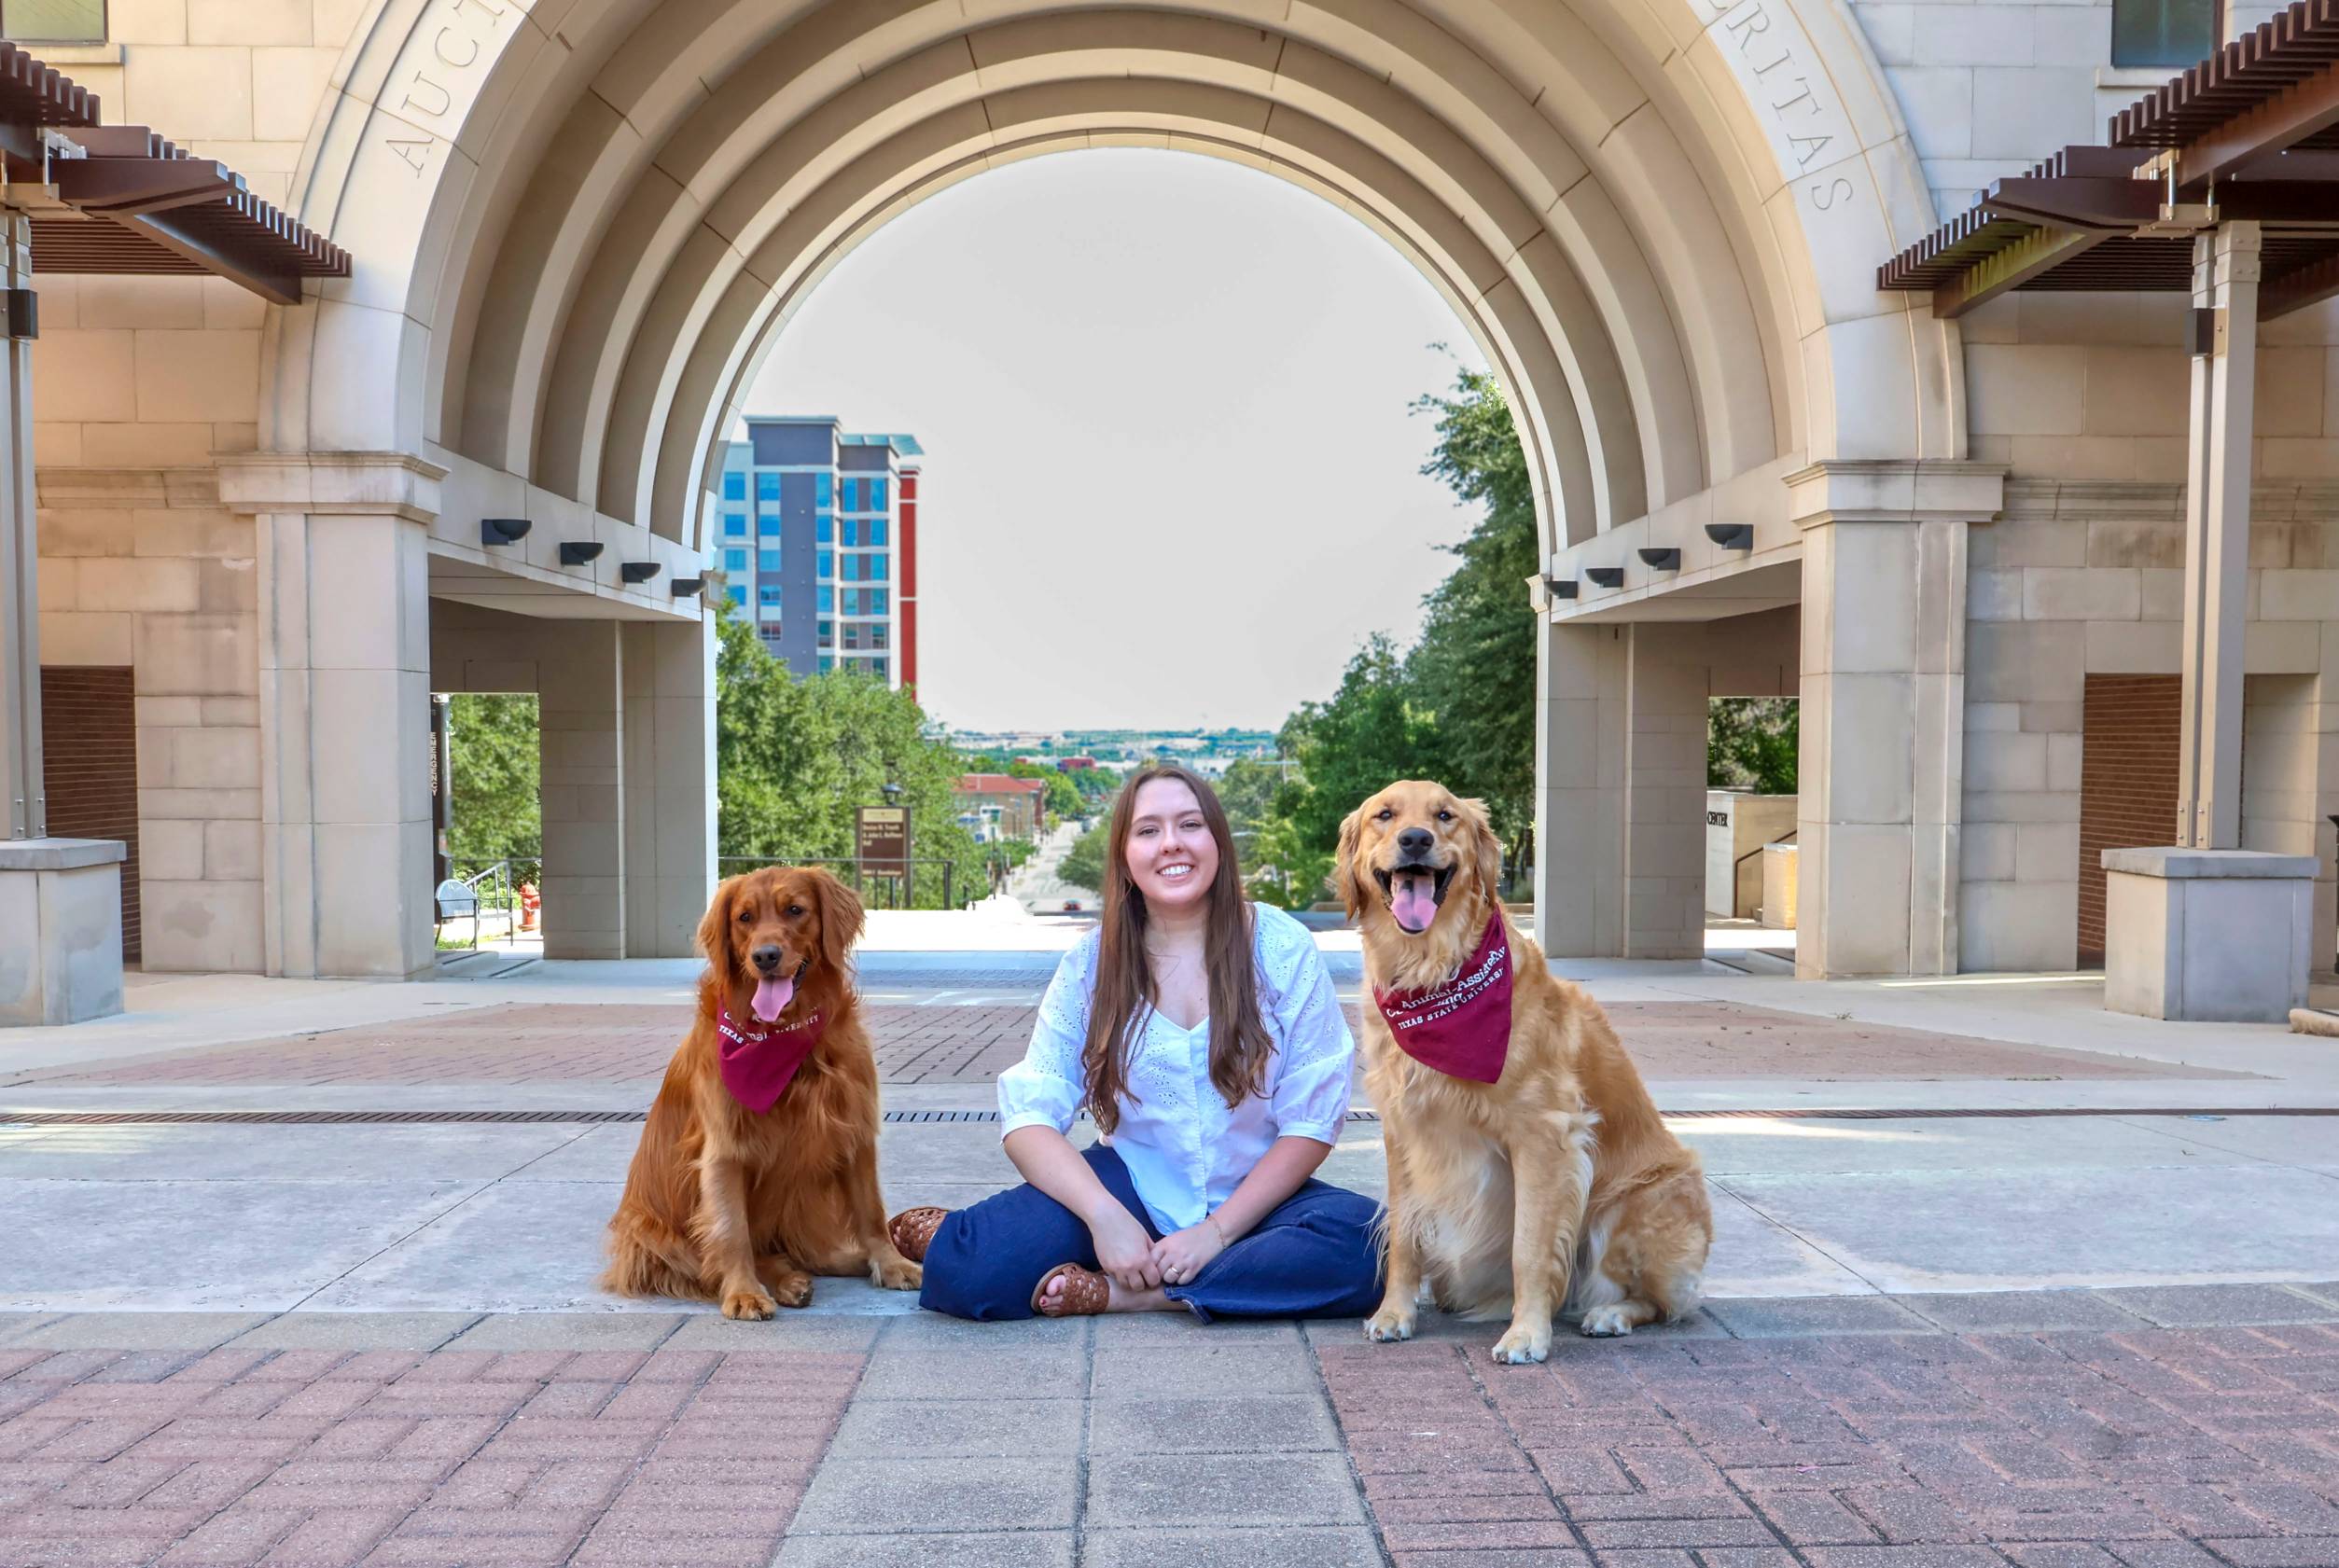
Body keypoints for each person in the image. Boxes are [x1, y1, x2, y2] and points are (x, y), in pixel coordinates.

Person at [887, 762, 1384, 1320]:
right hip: (1132, 1182)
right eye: (1148, 830)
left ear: (1217, 839)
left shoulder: (1281, 948)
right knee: (976, 1272)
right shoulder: (1092, 965)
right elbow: (1029, 1117)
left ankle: (1139, 1294)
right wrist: (1105, 1218)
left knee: (1374, 1253)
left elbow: (1310, 1125)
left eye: (1190, 825)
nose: (1171, 844)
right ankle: (962, 1236)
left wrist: (1216, 1233)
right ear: (1125, 854)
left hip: (1258, 1199)